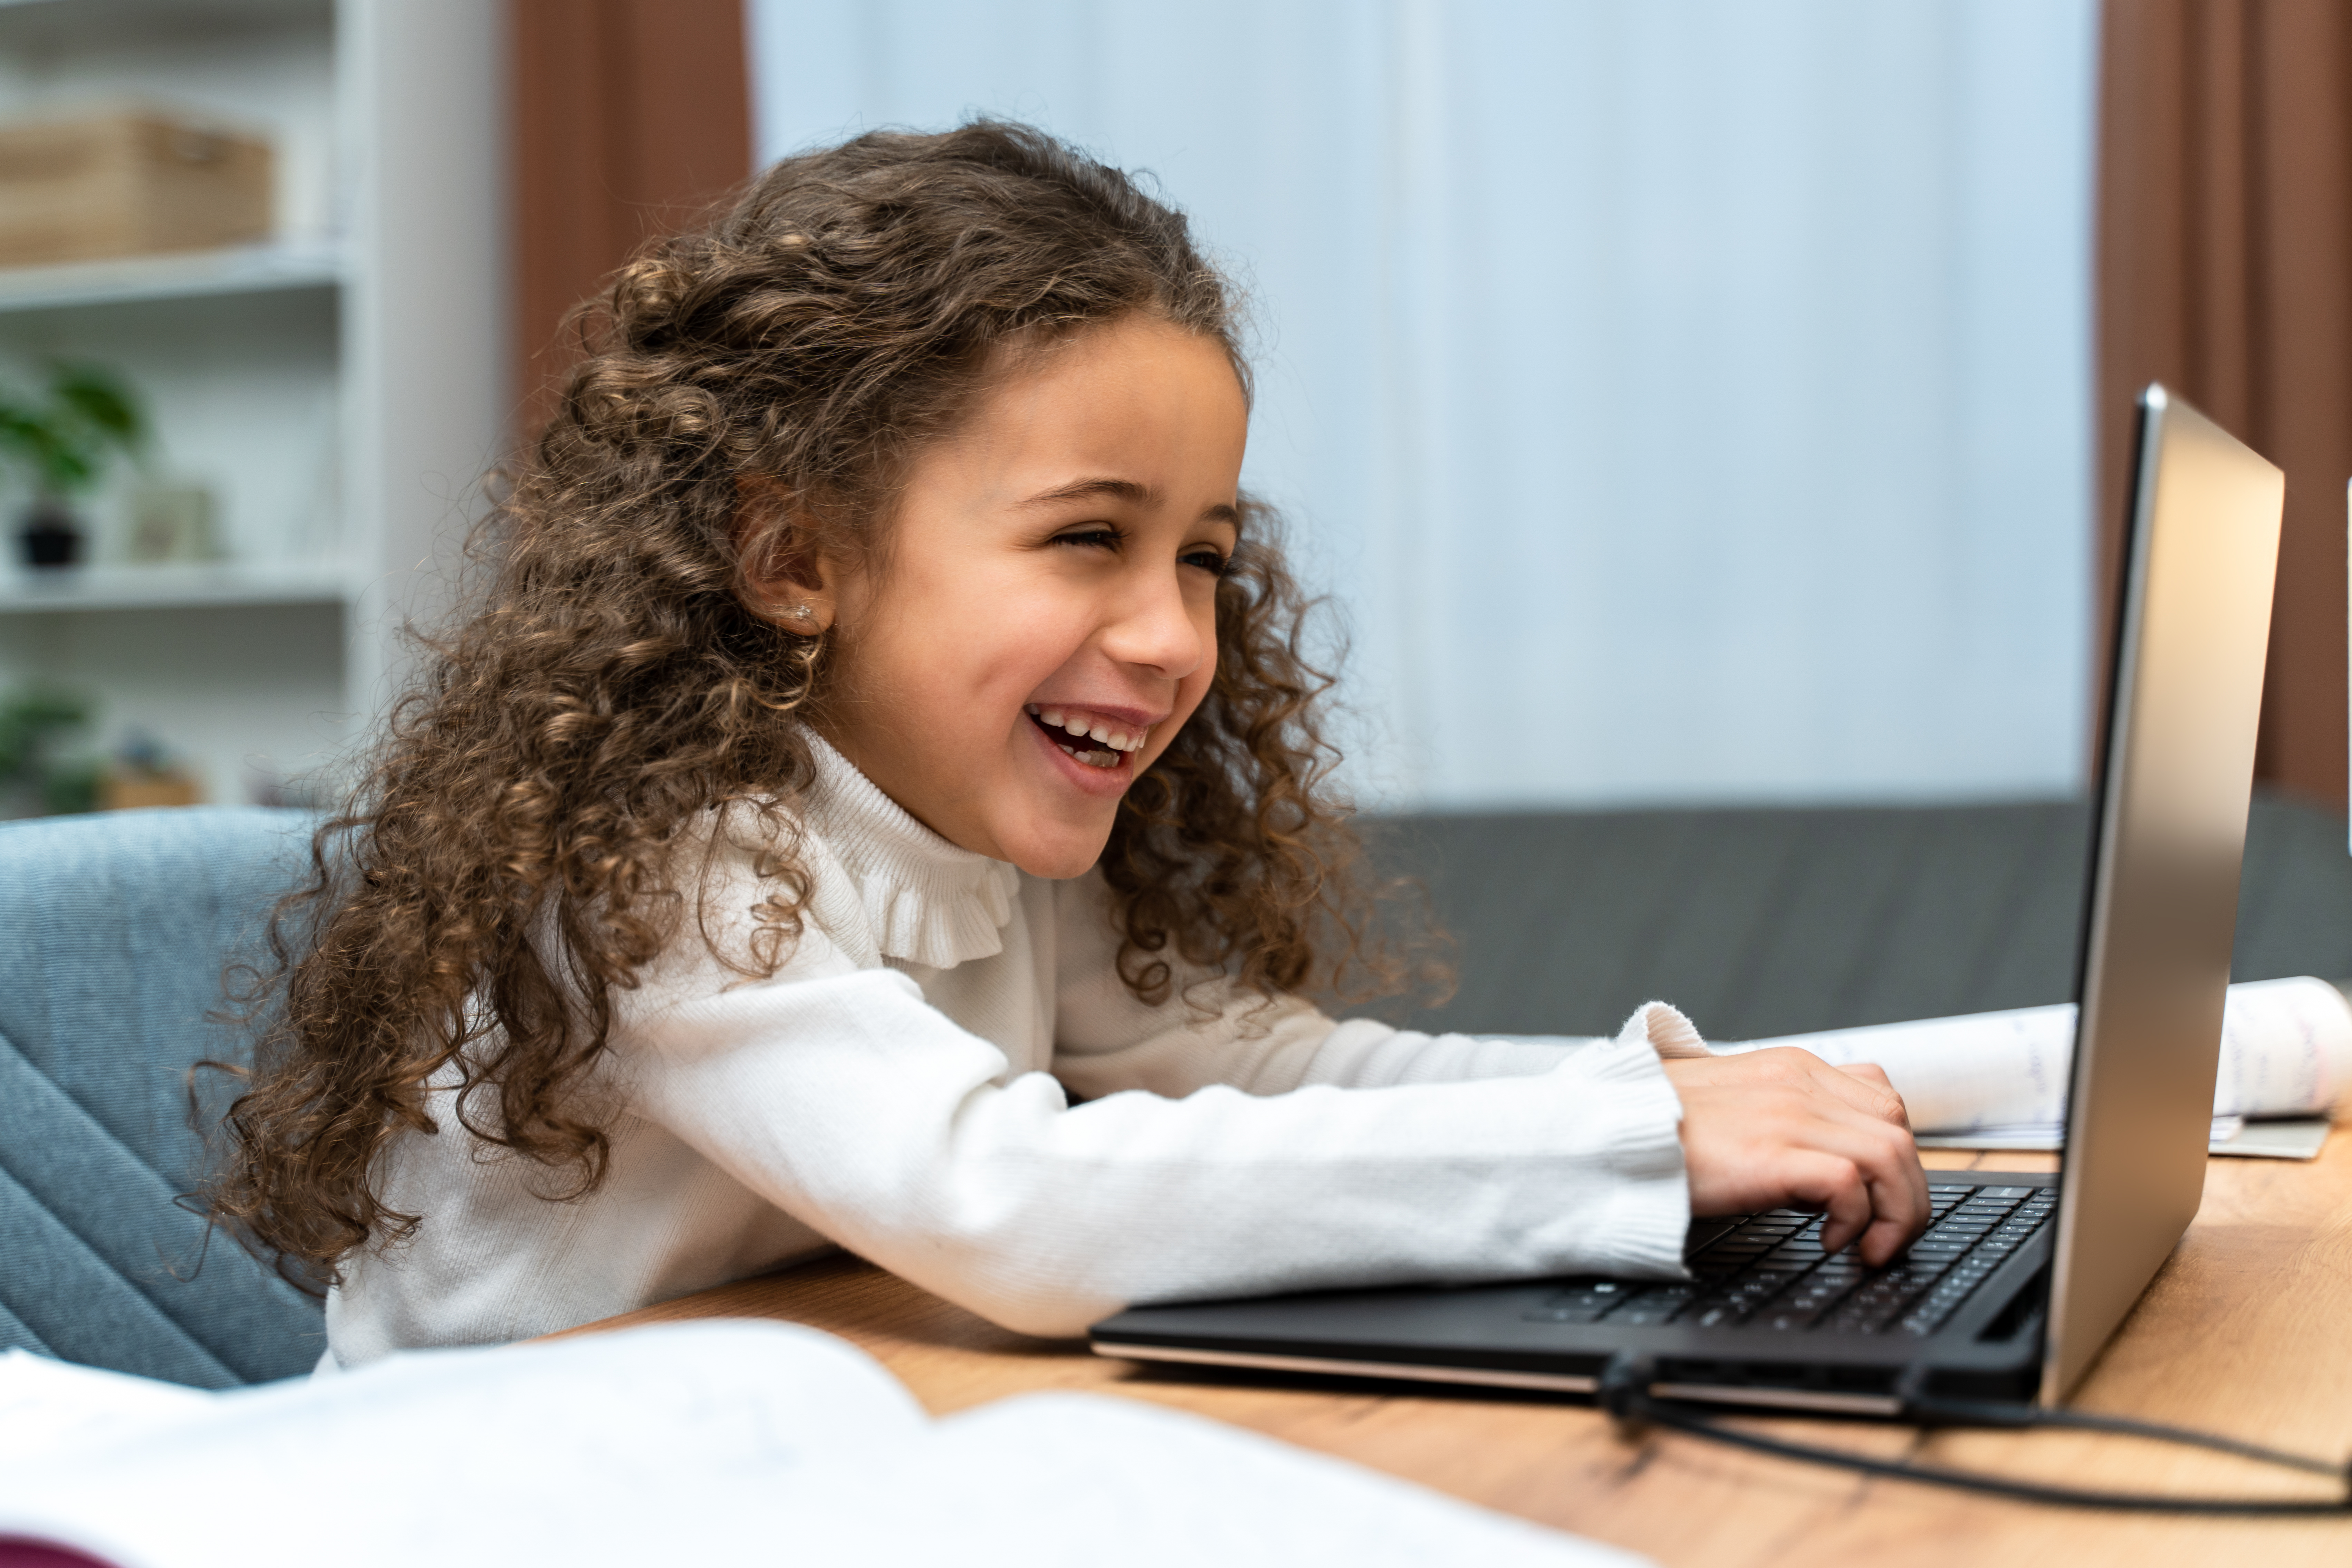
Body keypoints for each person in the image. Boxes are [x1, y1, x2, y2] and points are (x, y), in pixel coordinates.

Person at [205, 121, 1927, 1368]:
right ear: (794, 556)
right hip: (471, 1505)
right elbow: (1001, 1196)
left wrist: (1679, 1097)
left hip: (768, 1443)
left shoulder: (985, 828)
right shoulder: (669, 860)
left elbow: (1275, 1072)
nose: (1177, 636)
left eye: (1201, 555)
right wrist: (1618, 1157)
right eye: (1086, 537)